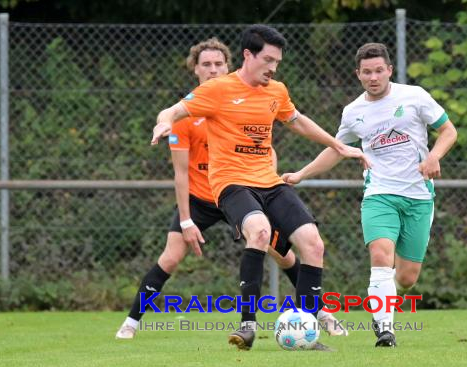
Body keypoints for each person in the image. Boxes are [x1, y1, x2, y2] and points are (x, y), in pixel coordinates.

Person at [151, 25, 368, 350]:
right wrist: (164, 123)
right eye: (268, 59)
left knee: (313, 244)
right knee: (260, 232)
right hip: (232, 183)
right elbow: (173, 111)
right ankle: (248, 326)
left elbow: (296, 121)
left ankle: (307, 331)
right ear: (248, 55)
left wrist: (338, 146)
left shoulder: (276, 90)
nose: (273, 67)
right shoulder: (218, 89)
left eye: (277, 61)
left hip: (269, 180)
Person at [115, 38, 317, 340]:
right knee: (170, 257)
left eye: (218, 64)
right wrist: (185, 220)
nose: (213, 69)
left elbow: (264, 147)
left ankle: (318, 314)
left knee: (283, 253)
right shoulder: (187, 114)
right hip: (201, 199)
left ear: (229, 65)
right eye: (206, 65)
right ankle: (131, 322)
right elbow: (181, 172)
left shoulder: (248, 97)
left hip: (242, 193)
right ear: (195, 69)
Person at [282, 43, 458, 348]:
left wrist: (434, 156)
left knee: (406, 278)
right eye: (367, 72)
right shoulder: (353, 112)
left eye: (379, 70)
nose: (373, 77)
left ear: (389, 70)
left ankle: (384, 297)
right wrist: (300, 174)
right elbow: (336, 150)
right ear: (358, 74)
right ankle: (385, 327)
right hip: (380, 194)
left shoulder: (413, 96)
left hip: (418, 196)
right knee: (380, 255)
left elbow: (449, 131)